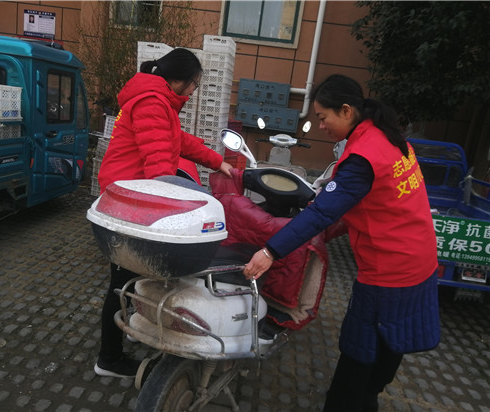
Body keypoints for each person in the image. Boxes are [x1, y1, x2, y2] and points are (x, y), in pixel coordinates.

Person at [242, 74, 440, 411]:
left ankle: (348, 402)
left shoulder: (362, 156)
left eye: (323, 117)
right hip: (419, 260)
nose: (321, 126)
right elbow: (373, 204)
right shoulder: (389, 137)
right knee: (391, 339)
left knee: (359, 346)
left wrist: (269, 252)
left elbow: (322, 212)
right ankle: (369, 397)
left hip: (388, 271)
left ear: (346, 111)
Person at [94, 48, 233, 378]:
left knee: (135, 274)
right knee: (122, 281)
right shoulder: (152, 103)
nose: (194, 91)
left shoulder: (158, 102)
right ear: (180, 79)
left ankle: (132, 329)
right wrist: (176, 209)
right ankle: (109, 359)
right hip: (130, 203)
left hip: (132, 197)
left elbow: (178, 140)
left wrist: (219, 162)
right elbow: (158, 167)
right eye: (195, 84)